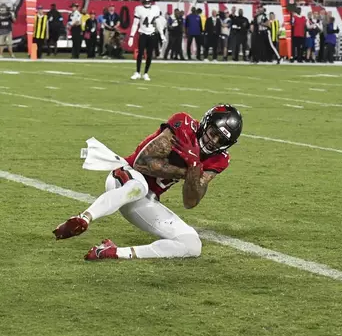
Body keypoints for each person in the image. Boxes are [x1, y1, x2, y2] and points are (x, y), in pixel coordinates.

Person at [53, 105, 243, 261]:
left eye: (221, 140)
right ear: (206, 123)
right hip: (125, 177)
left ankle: (111, 252)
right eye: (213, 133)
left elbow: (190, 202)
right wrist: (190, 171)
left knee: (192, 245)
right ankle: (84, 218)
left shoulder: (219, 159)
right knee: (139, 186)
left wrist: (194, 163)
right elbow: (142, 163)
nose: (213, 141)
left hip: (147, 200)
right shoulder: (183, 125)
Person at [128, 0, 165, 81]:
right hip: (143, 33)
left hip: (152, 34)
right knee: (140, 53)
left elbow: (158, 22)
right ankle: (137, 72)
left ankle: (145, 73)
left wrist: (161, 34)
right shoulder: (139, 9)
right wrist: (131, 36)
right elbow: (135, 24)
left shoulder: (155, 8)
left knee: (149, 54)